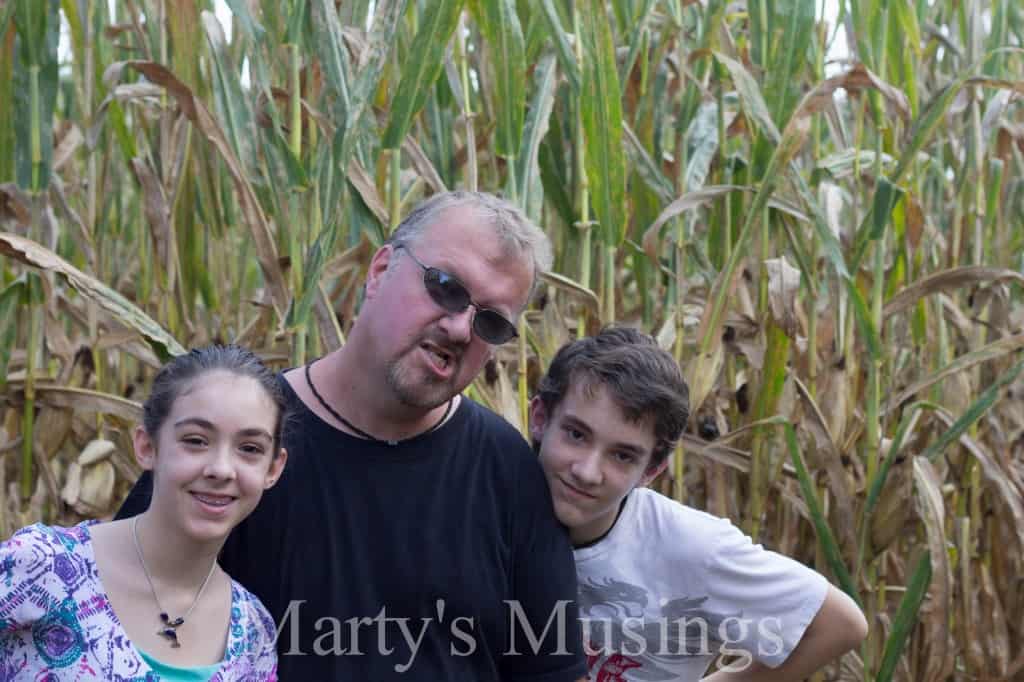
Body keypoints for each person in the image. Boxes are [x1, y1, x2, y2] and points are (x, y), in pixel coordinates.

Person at [117, 192, 588, 680]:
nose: (459, 328)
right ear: (380, 270)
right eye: (445, 287)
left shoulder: (507, 471)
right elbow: (113, 631)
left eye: (490, 321)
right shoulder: (236, 446)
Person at [529, 326, 869, 681]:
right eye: (576, 434)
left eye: (623, 455)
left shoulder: (691, 548)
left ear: (653, 470)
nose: (587, 471)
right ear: (539, 418)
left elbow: (838, 624)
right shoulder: (488, 506)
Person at [1, 345, 288, 680]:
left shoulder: (254, 633)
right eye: (196, 440)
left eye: (250, 449)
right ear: (147, 446)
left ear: (273, 468)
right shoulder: (40, 567)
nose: (222, 469)